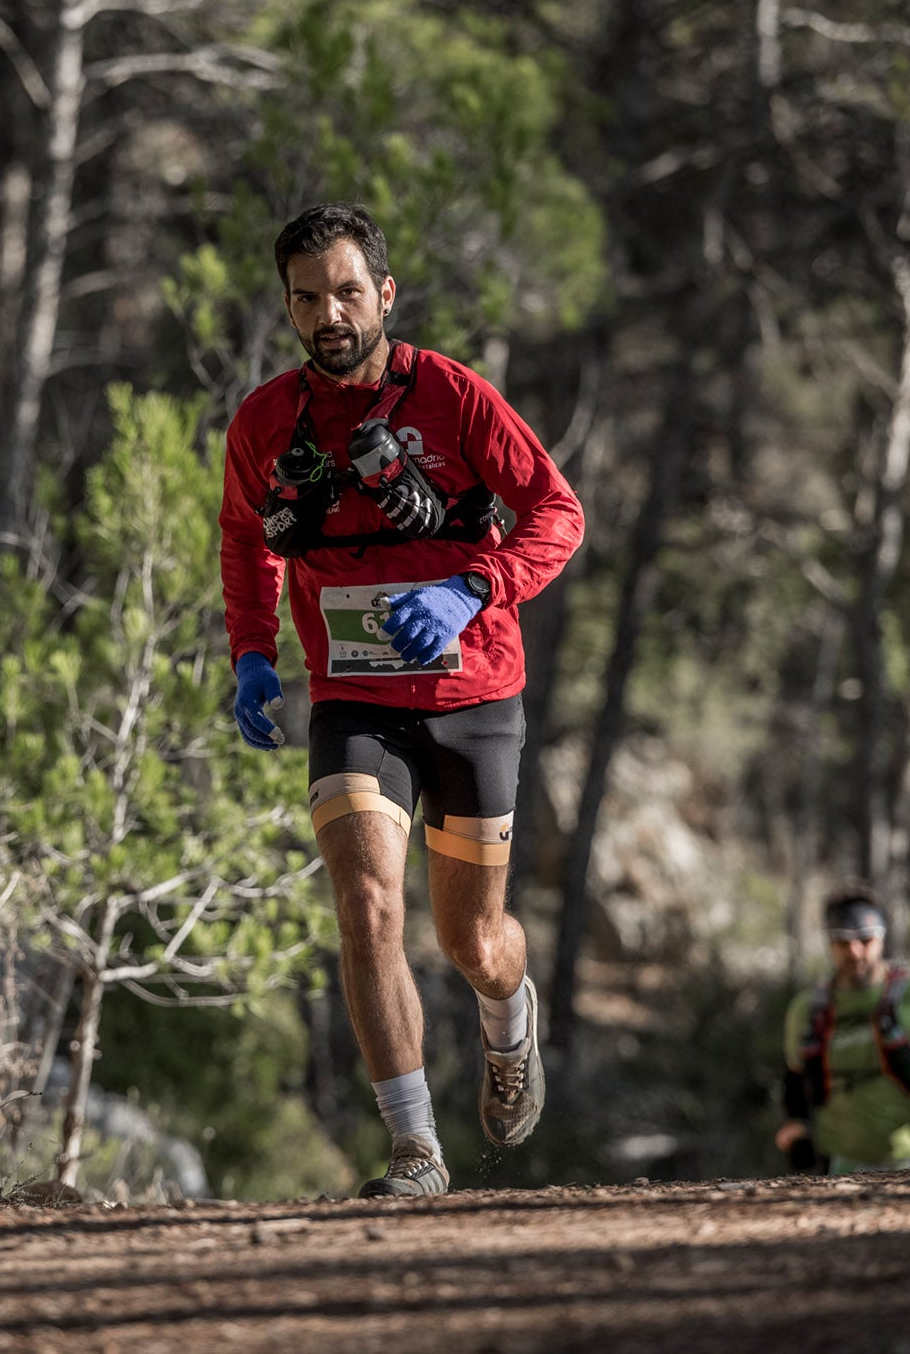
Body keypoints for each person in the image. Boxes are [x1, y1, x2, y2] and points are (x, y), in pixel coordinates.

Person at [218, 203, 585, 1197]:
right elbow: (246, 545)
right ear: (287, 306)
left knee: (470, 939)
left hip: (472, 695)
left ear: (382, 293)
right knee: (366, 903)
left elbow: (556, 512)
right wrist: (253, 654)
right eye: (305, 298)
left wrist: (469, 589)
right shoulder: (262, 424)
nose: (326, 313)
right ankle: (414, 1151)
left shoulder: (455, 398)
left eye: (344, 291)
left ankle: (511, 1021)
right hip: (352, 699)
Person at [776, 887, 910, 1175]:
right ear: (830, 943)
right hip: (835, 1166)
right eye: (843, 942)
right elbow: (794, 1079)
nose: (855, 952)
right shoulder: (807, 1009)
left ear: (882, 938)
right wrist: (797, 1129)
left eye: (865, 940)